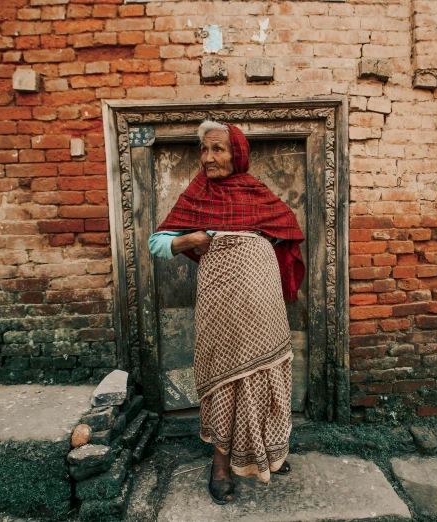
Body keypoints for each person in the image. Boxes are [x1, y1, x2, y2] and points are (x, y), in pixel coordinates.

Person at [148, 121, 305, 504]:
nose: (208, 158)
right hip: (220, 298)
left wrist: (260, 244)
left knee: (266, 368)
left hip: (262, 298)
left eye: (217, 149)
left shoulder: (256, 192)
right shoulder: (199, 193)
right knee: (224, 373)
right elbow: (157, 243)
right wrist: (195, 239)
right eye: (204, 150)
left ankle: (270, 450)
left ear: (237, 154)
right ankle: (221, 463)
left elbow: (289, 227)